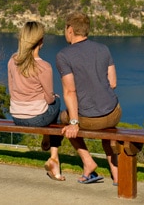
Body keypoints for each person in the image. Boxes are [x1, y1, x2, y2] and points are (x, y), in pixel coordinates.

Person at [56, 11, 121, 185]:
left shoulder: (64, 55)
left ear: (70, 30)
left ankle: (88, 162)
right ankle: (116, 173)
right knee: (107, 130)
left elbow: (70, 92)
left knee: (64, 118)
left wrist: (74, 122)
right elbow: (113, 83)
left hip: (90, 120)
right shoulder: (103, 49)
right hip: (114, 113)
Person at [7, 21, 65, 181]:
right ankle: (53, 157)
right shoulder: (44, 67)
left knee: (54, 113)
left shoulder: (12, 61)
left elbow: (12, 91)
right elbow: (49, 98)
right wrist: (55, 98)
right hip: (38, 118)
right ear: (41, 41)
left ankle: (54, 159)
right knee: (57, 107)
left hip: (17, 116)